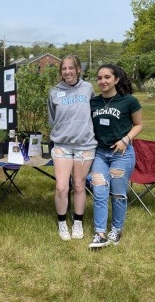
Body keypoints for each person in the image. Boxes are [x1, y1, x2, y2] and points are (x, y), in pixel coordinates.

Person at [88, 64, 142, 249]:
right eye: (99, 78)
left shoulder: (129, 101)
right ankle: (100, 233)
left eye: (107, 77)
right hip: (100, 154)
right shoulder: (94, 102)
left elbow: (139, 125)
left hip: (121, 154)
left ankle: (117, 229)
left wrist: (125, 140)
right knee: (99, 192)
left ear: (116, 80)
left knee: (118, 194)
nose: (102, 81)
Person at [47, 55, 97, 241]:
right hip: (62, 145)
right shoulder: (54, 92)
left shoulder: (88, 88)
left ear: (78, 70)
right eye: (64, 69)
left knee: (78, 185)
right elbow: (52, 118)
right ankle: (62, 223)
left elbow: (94, 112)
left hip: (85, 145)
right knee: (61, 187)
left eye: (71, 68)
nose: (67, 72)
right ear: (61, 72)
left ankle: (77, 222)